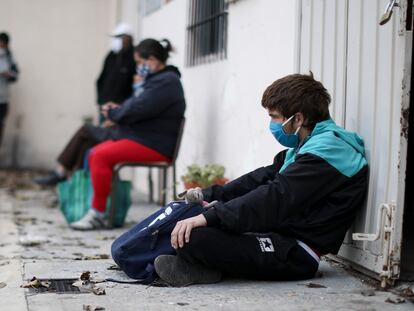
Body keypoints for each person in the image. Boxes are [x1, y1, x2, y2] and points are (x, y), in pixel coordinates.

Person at [153, 73, 369, 286]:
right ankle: (203, 268)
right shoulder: (306, 146)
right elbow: (259, 179)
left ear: (298, 118)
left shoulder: (329, 152)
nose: (271, 124)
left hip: (297, 253)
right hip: (276, 234)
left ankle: (203, 268)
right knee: (187, 226)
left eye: (274, 116)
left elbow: (273, 197)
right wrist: (209, 195)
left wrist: (211, 217)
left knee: (194, 238)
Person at [35, 39, 185, 231]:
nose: (138, 68)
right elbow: (136, 106)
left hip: (154, 144)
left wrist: (115, 113)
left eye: (140, 63)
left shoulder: (166, 82)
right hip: (144, 138)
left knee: (99, 154)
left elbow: (137, 109)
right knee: (95, 151)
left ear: (153, 60)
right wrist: (119, 109)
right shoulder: (158, 80)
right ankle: (88, 202)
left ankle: (97, 214)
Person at [96, 23, 136, 124]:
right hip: (105, 107)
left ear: (129, 38)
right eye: (115, 37)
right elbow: (101, 78)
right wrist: (101, 101)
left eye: (120, 37)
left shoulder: (134, 57)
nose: (117, 40)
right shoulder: (111, 55)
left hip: (121, 109)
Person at [0, 32, 19, 147]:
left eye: (3, 44)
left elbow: (15, 75)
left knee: (0, 125)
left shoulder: (9, 57)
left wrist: (8, 75)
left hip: (3, 98)